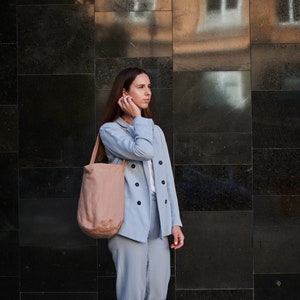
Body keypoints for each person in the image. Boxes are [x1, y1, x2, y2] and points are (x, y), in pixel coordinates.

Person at [97, 67, 184, 300]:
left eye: (149, 87)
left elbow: (167, 180)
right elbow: (142, 151)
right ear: (124, 93)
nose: (148, 93)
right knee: (132, 292)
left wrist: (175, 222)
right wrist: (137, 118)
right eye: (141, 87)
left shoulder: (156, 131)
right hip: (128, 221)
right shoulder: (110, 130)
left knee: (157, 289)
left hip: (159, 218)